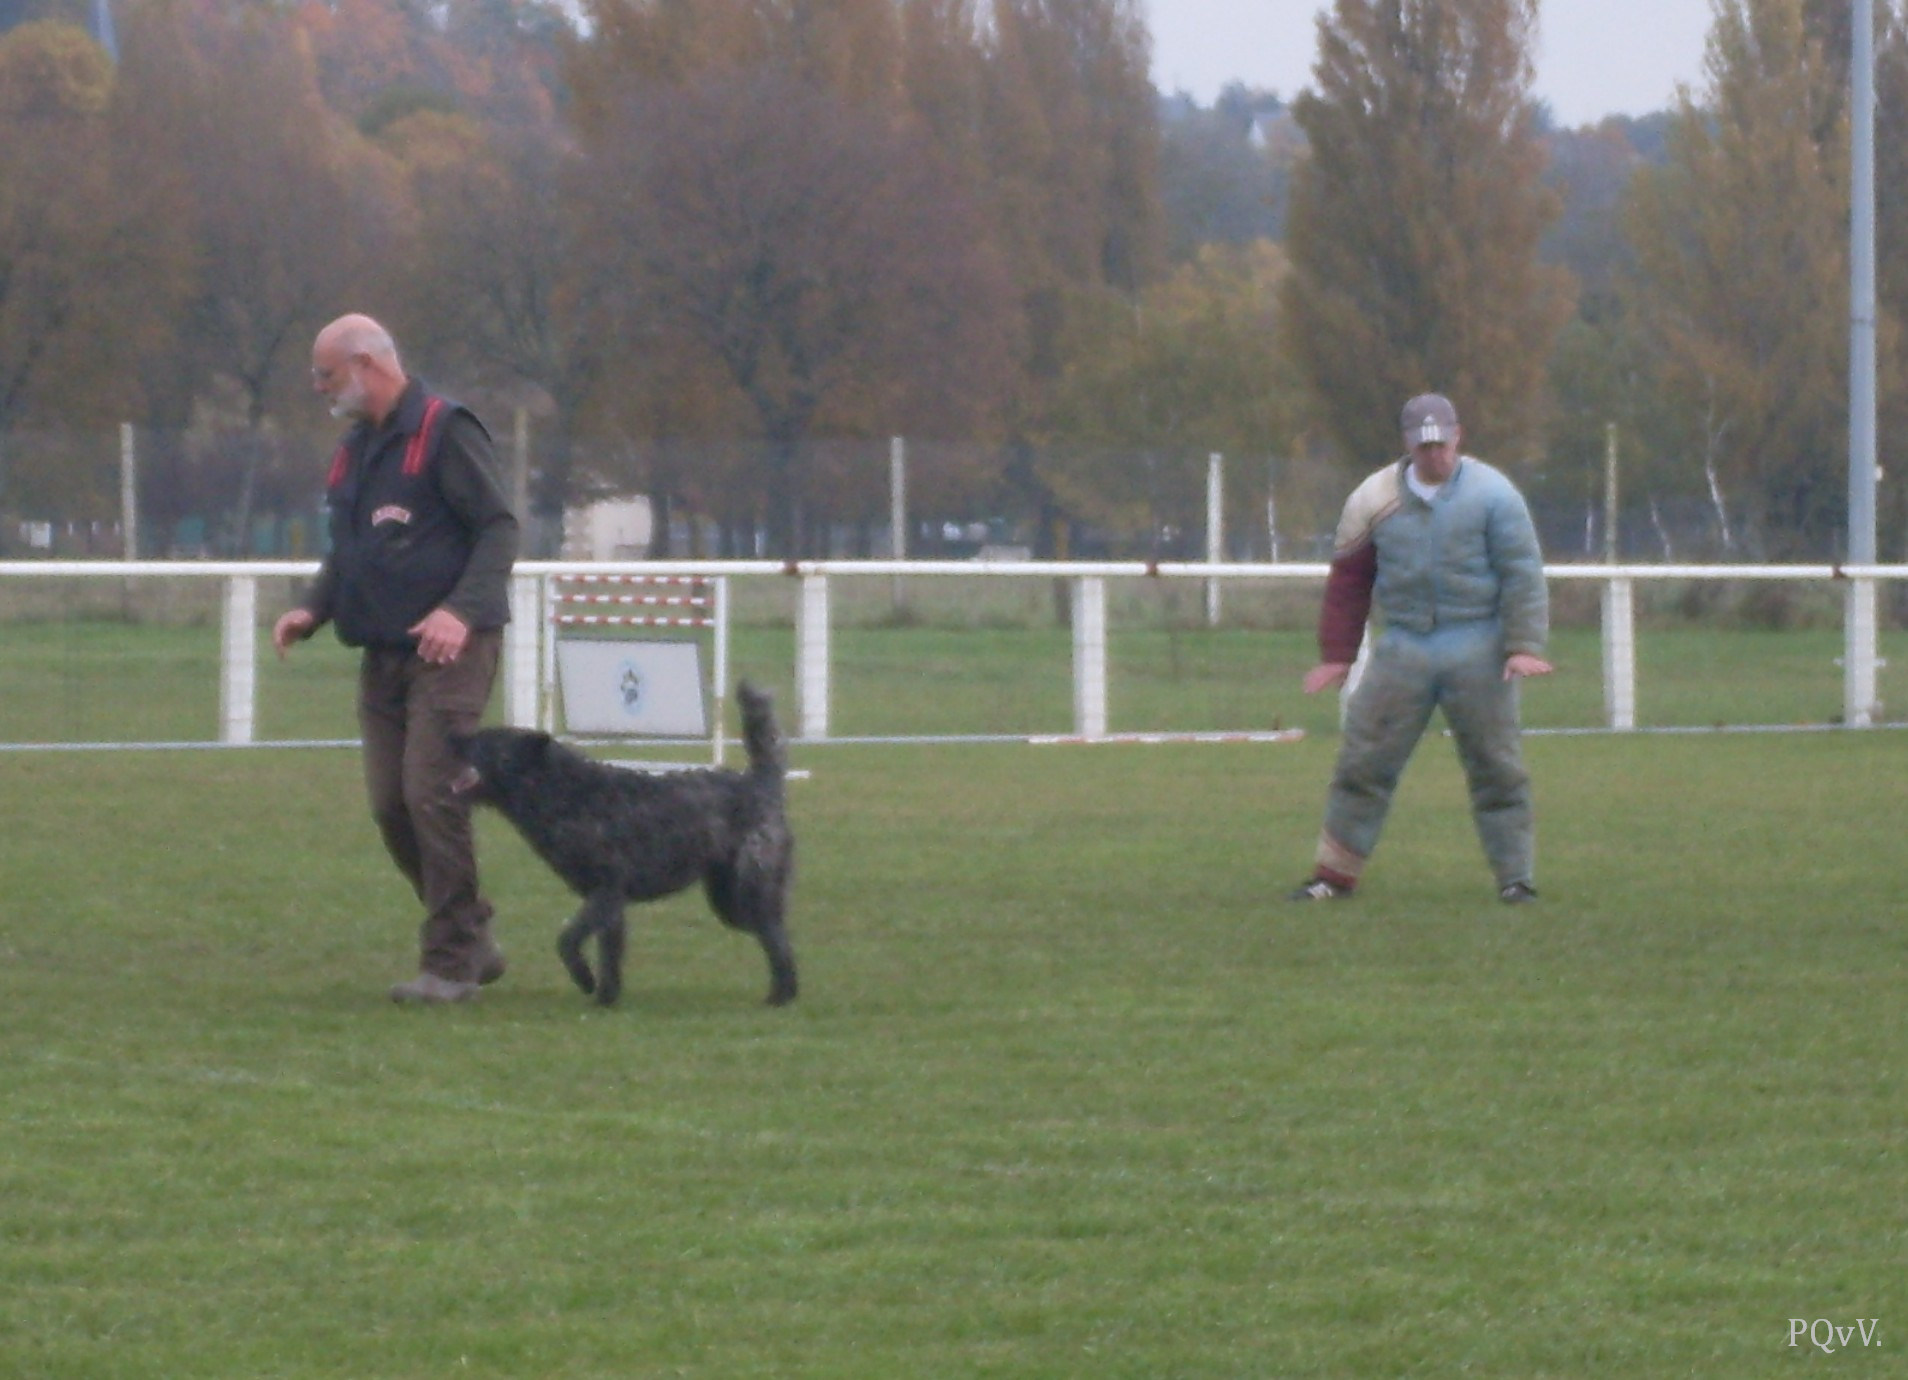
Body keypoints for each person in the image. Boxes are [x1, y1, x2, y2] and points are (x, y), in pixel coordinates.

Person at [273, 314, 520, 1002]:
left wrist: (459, 611)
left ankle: (448, 963)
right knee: (390, 806)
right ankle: (471, 932)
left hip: (449, 653)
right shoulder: (356, 448)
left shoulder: (446, 429)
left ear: (365, 364)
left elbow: (500, 528)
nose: (319, 388)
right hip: (379, 653)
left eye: (325, 375)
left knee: (430, 793)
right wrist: (313, 607)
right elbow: (350, 550)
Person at [1289, 393, 1553, 904]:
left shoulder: (1495, 495)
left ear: (1459, 437)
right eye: (1424, 446)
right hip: (1404, 649)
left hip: (1478, 644)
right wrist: (1337, 654)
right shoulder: (1373, 498)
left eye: (1443, 444)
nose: (1436, 456)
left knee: (1496, 766)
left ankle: (1515, 879)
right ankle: (1334, 875)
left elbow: (1522, 573)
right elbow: (1350, 579)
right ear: (1407, 445)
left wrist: (1522, 644)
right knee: (1363, 761)